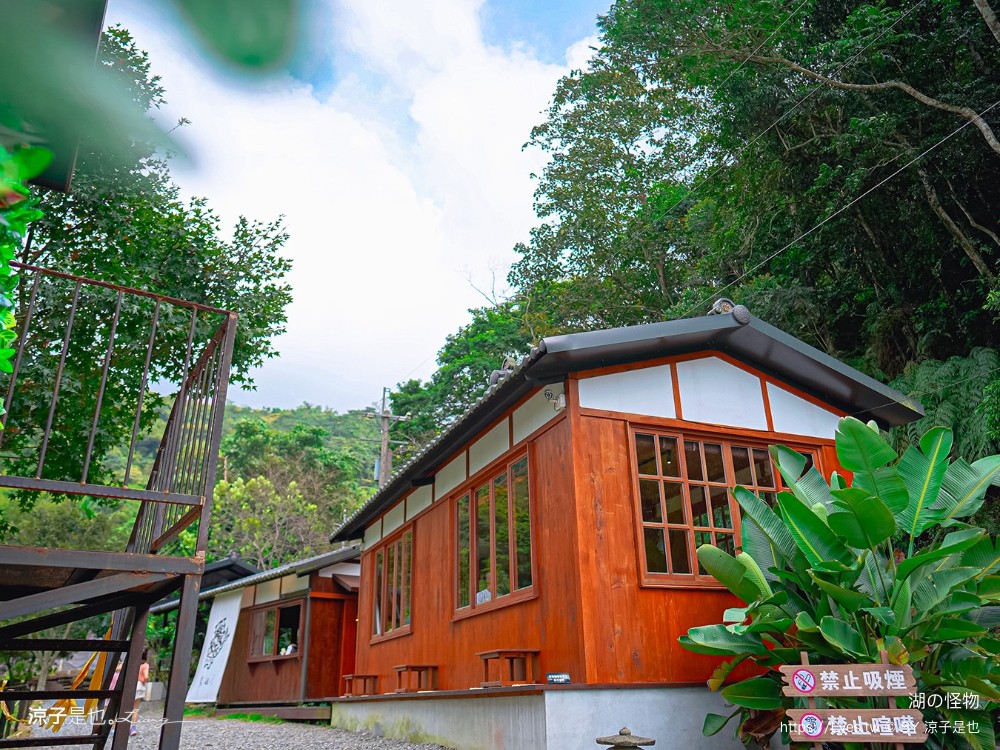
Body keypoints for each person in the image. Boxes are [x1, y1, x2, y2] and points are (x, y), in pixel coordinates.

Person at [129, 650, 149, 737]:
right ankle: (133, 728)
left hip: (130, 685)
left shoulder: (133, 664)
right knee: (135, 709)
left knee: (126, 708)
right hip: (139, 685)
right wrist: (144, 682)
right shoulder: (145, 665)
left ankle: (122, 726)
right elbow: (146, 676)